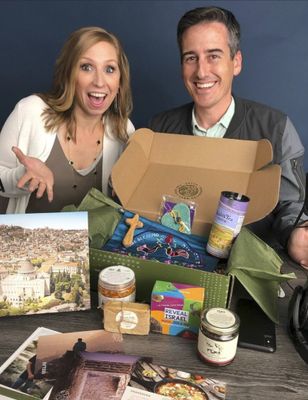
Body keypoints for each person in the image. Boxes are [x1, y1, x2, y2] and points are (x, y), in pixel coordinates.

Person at [149, 6, 308, 268]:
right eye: (191, 58)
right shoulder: (158, 130)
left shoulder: (276, 129)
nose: (201, 72)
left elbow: (291, 206)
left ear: (236, 62)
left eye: (213, 56)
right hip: (173, 270)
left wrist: (297, 234)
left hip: (247, 273)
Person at [0, 26, 134, 214]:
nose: (100, 82)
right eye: (86, 67)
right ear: (69, 74)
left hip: (91, 244)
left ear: (120, 82)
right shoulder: (31, 111)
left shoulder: (124, 130)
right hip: (25, 241)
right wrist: (21, 177)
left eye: (109, 69)